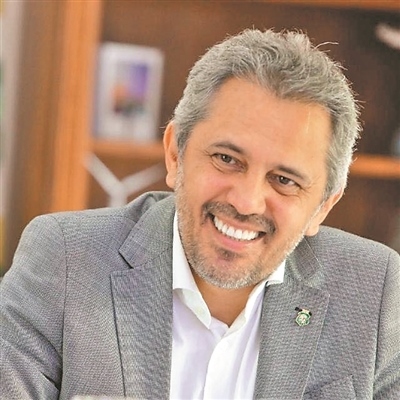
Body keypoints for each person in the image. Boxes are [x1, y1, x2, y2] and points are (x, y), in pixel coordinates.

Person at [1, 28, 399, 400]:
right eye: (227, 159)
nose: (246, 202)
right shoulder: (65, 260)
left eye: (284, 180)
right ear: (175, 154)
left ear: (324, 206)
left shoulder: (376, 294)